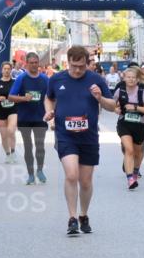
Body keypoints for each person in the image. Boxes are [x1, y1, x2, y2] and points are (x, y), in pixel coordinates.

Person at [43, 45, 117, 236]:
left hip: (89, 136)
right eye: (74, 65)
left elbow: (112, 106)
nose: (77, 70)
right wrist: (49, 111)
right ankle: (72, 218)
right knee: (71, 175)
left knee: (85, 181)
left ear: (87, 63)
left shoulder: (96, 79)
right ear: (68, 62)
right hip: (65, 134)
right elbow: (48, 98)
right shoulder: (56, 79)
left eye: (82, 66)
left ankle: (84, 215)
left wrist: (100, 97)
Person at [8, 52, 50, 186]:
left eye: (35, 62)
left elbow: (50, 97)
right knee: (28, 146)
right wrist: (23, 98)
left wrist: (51, 111)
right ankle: (31, 174)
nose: (33, 65)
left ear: (39, 63)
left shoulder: (45, 79)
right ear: (26, 63)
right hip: (25, 117)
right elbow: (11, 97)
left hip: (40, 117)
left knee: (40, 146)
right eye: (31, 63)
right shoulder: (21, 78)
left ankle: (40, 170)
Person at [114, 66, 144, 190]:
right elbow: (112, 104)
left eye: (133, 78)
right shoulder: (119, 91)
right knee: (129, 150)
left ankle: (135, 172)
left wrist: (135, 108)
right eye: (128, 77)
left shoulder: (142, 91)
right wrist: (115, 109)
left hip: (139, 125)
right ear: (124, 78)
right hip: (124, 123)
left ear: (137, 80)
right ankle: (130, 179)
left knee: (137, 153)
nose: (131, 80)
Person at [0, 62, 18, 163]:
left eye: (8, 69)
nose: (6, 71)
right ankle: (8, 154)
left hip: (13, 110)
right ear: (1, 70)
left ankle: (13, 152)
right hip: (1, 111)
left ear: (11, 70)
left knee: (11, 130)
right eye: (4, 69)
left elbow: (20, 94)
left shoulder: (15, 82)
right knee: (4, 135)